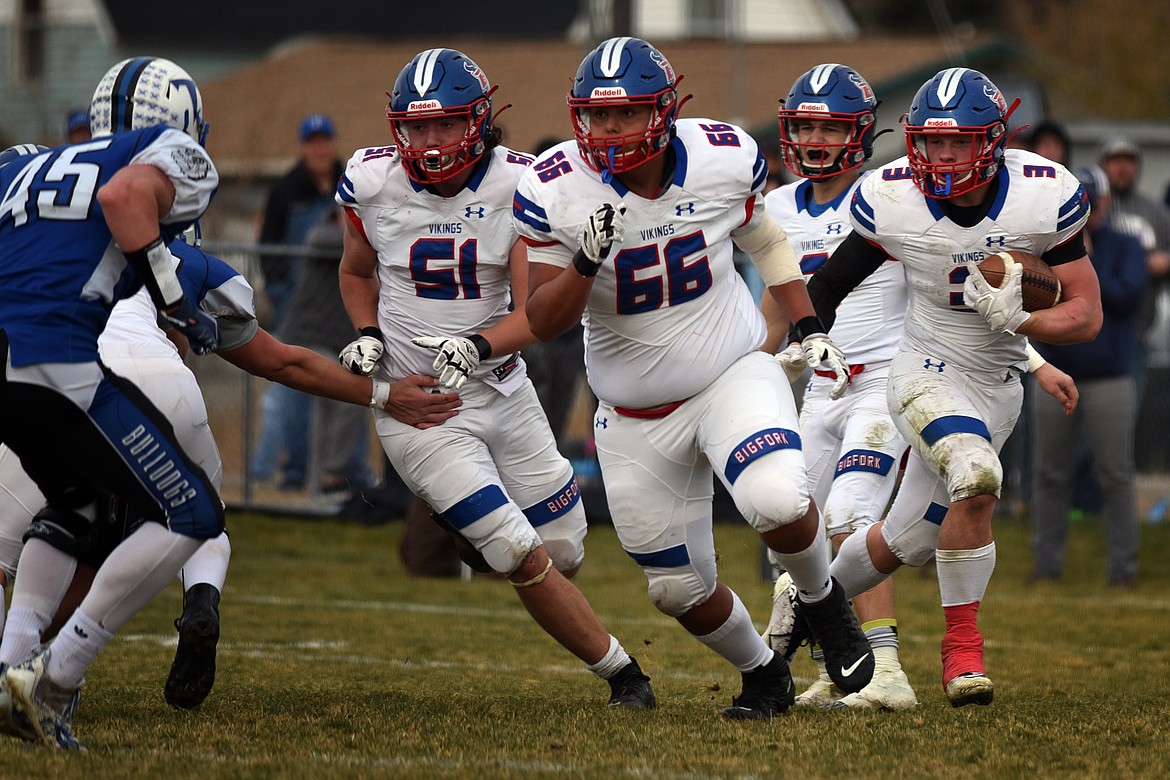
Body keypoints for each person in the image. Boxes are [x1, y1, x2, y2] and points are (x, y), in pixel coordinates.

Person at [517, 37, 875, 720]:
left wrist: (807, 325)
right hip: (631, 413)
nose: (608, 130)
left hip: (729, 374)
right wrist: (585, 261)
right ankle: (765, 674)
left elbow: (765, 240)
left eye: (625, 115)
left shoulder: (721, 156)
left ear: (664, 112)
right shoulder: (557, 185)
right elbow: (541, 317)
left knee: (774, 500)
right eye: (596, 115)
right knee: (676, 591)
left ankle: (825, 605)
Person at [768, 67, 1101, 708]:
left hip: (998, 380)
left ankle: (806, 602)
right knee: (976, 477)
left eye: (960, 143)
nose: (943, 158)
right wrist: (803, 340)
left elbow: (1087, 313)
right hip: (923, 369)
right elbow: (830, 285)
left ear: (995, 141)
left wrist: (1024, 321)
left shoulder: (1042, 193)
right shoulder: (893, 196)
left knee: (908, 538)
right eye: (931, 142)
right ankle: (962, 656)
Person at [337, 47, 655, 710]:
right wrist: (367, 336)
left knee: (563, 550)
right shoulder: (370, 180)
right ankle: (625, 674)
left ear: (481, 121)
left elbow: (534, 315)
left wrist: (475, 344)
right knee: (517, 549)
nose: (429, 141)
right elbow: (357, 270)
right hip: (418, 403)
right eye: (417, 127)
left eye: (446, 125)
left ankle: (470, 533)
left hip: (503, 387)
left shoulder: (521, 183)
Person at [0, 222, 408, 732]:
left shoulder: (39, 247)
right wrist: (384, 394)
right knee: (200, 518)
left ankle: (22, 669)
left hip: (62, 376)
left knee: (31, 540)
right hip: (164, 380)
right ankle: (197, 599)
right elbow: (283, 363)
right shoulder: (193, 265)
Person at [0, 56, 225, 750]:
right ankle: (55, 680)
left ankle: (12, 669)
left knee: (79, 511)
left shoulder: (25, 168)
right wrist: (178, 302)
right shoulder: (165, 180)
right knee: (192, 510)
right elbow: (129, 201)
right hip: (73, 370)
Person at [758, 63, 917, 711]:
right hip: (817, 391)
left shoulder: (892, 194)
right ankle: (838, 665)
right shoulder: (774, 206)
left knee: (852, 518)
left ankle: (886, 671)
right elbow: (773, 311)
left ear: (858, 132)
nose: (818, 138)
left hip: (882, 384)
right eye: (807, 125)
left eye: (831, 125)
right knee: (789, 525)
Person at [1030, 166, 1147, 587]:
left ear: (1105, 203)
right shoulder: (1049, 246)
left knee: (1115, 473)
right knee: (1049, 473)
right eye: (1082, 202)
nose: (1088, 210)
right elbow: (1037, 297)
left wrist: (1087, 262)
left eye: (1093, 203)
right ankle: (1046, 565)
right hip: (1055, 369)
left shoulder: (1125, 245)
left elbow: (1127, 295)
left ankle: (1123, 569)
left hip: (1109, 375)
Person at [251, 113, 344, 490]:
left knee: (343, 392)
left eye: (325, 140)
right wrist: (277, 288)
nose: (320, 149)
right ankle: (286, 472)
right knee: (291, 391)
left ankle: (338, 474)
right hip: (297, 305)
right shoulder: (286, 190)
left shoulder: (348, 182)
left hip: (342, 308)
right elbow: (267, 245)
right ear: (303, 146)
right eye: (313, 141)